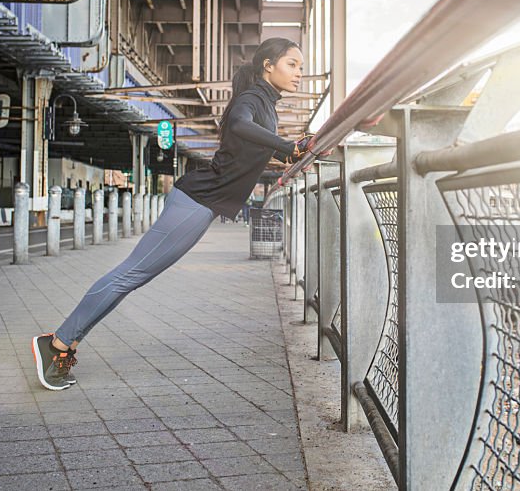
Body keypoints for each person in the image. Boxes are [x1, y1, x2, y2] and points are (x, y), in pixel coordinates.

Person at [32, 38, 314, 390]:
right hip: (195, 202)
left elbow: (244, 151)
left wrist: (286, 154)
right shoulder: (252, 99)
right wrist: (287, 146)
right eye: (292, 64)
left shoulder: (266, 105)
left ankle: (66, 343)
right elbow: (240, 126)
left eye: (301, 66)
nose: (299, 73)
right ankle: (58, 343)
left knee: (133, 278)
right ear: (268, 65)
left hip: (200, 205)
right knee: (128, 275)